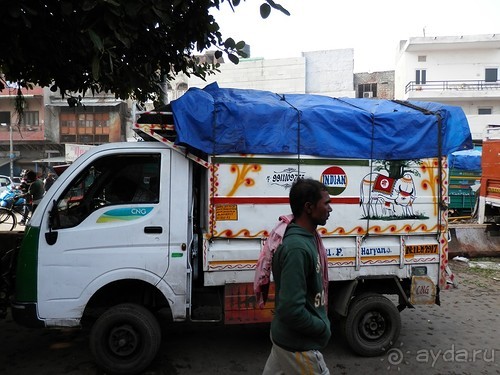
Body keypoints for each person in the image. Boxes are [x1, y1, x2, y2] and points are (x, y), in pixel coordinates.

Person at [263, 178, 332, 375]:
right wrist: (322, 326)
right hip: (298, 346)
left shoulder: (306, 240)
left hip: (285, 340)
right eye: (326, 203)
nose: (330, 209)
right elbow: (291, 309)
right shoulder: (297, 249)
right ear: (309, 207)